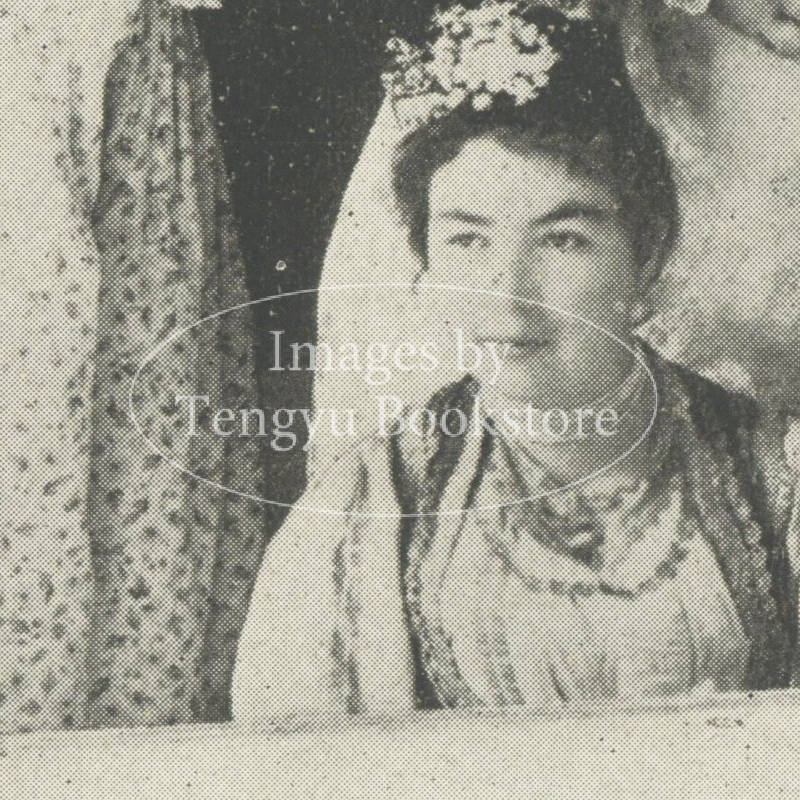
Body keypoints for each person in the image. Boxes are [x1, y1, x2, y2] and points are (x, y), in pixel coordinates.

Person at [232, 2, 800, 720]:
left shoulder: (776, 475)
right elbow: (302, 759)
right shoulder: (371, 505)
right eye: (468, 241)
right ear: (425, 261)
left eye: (562, 240)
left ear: (647, 256)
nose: (508, 297)